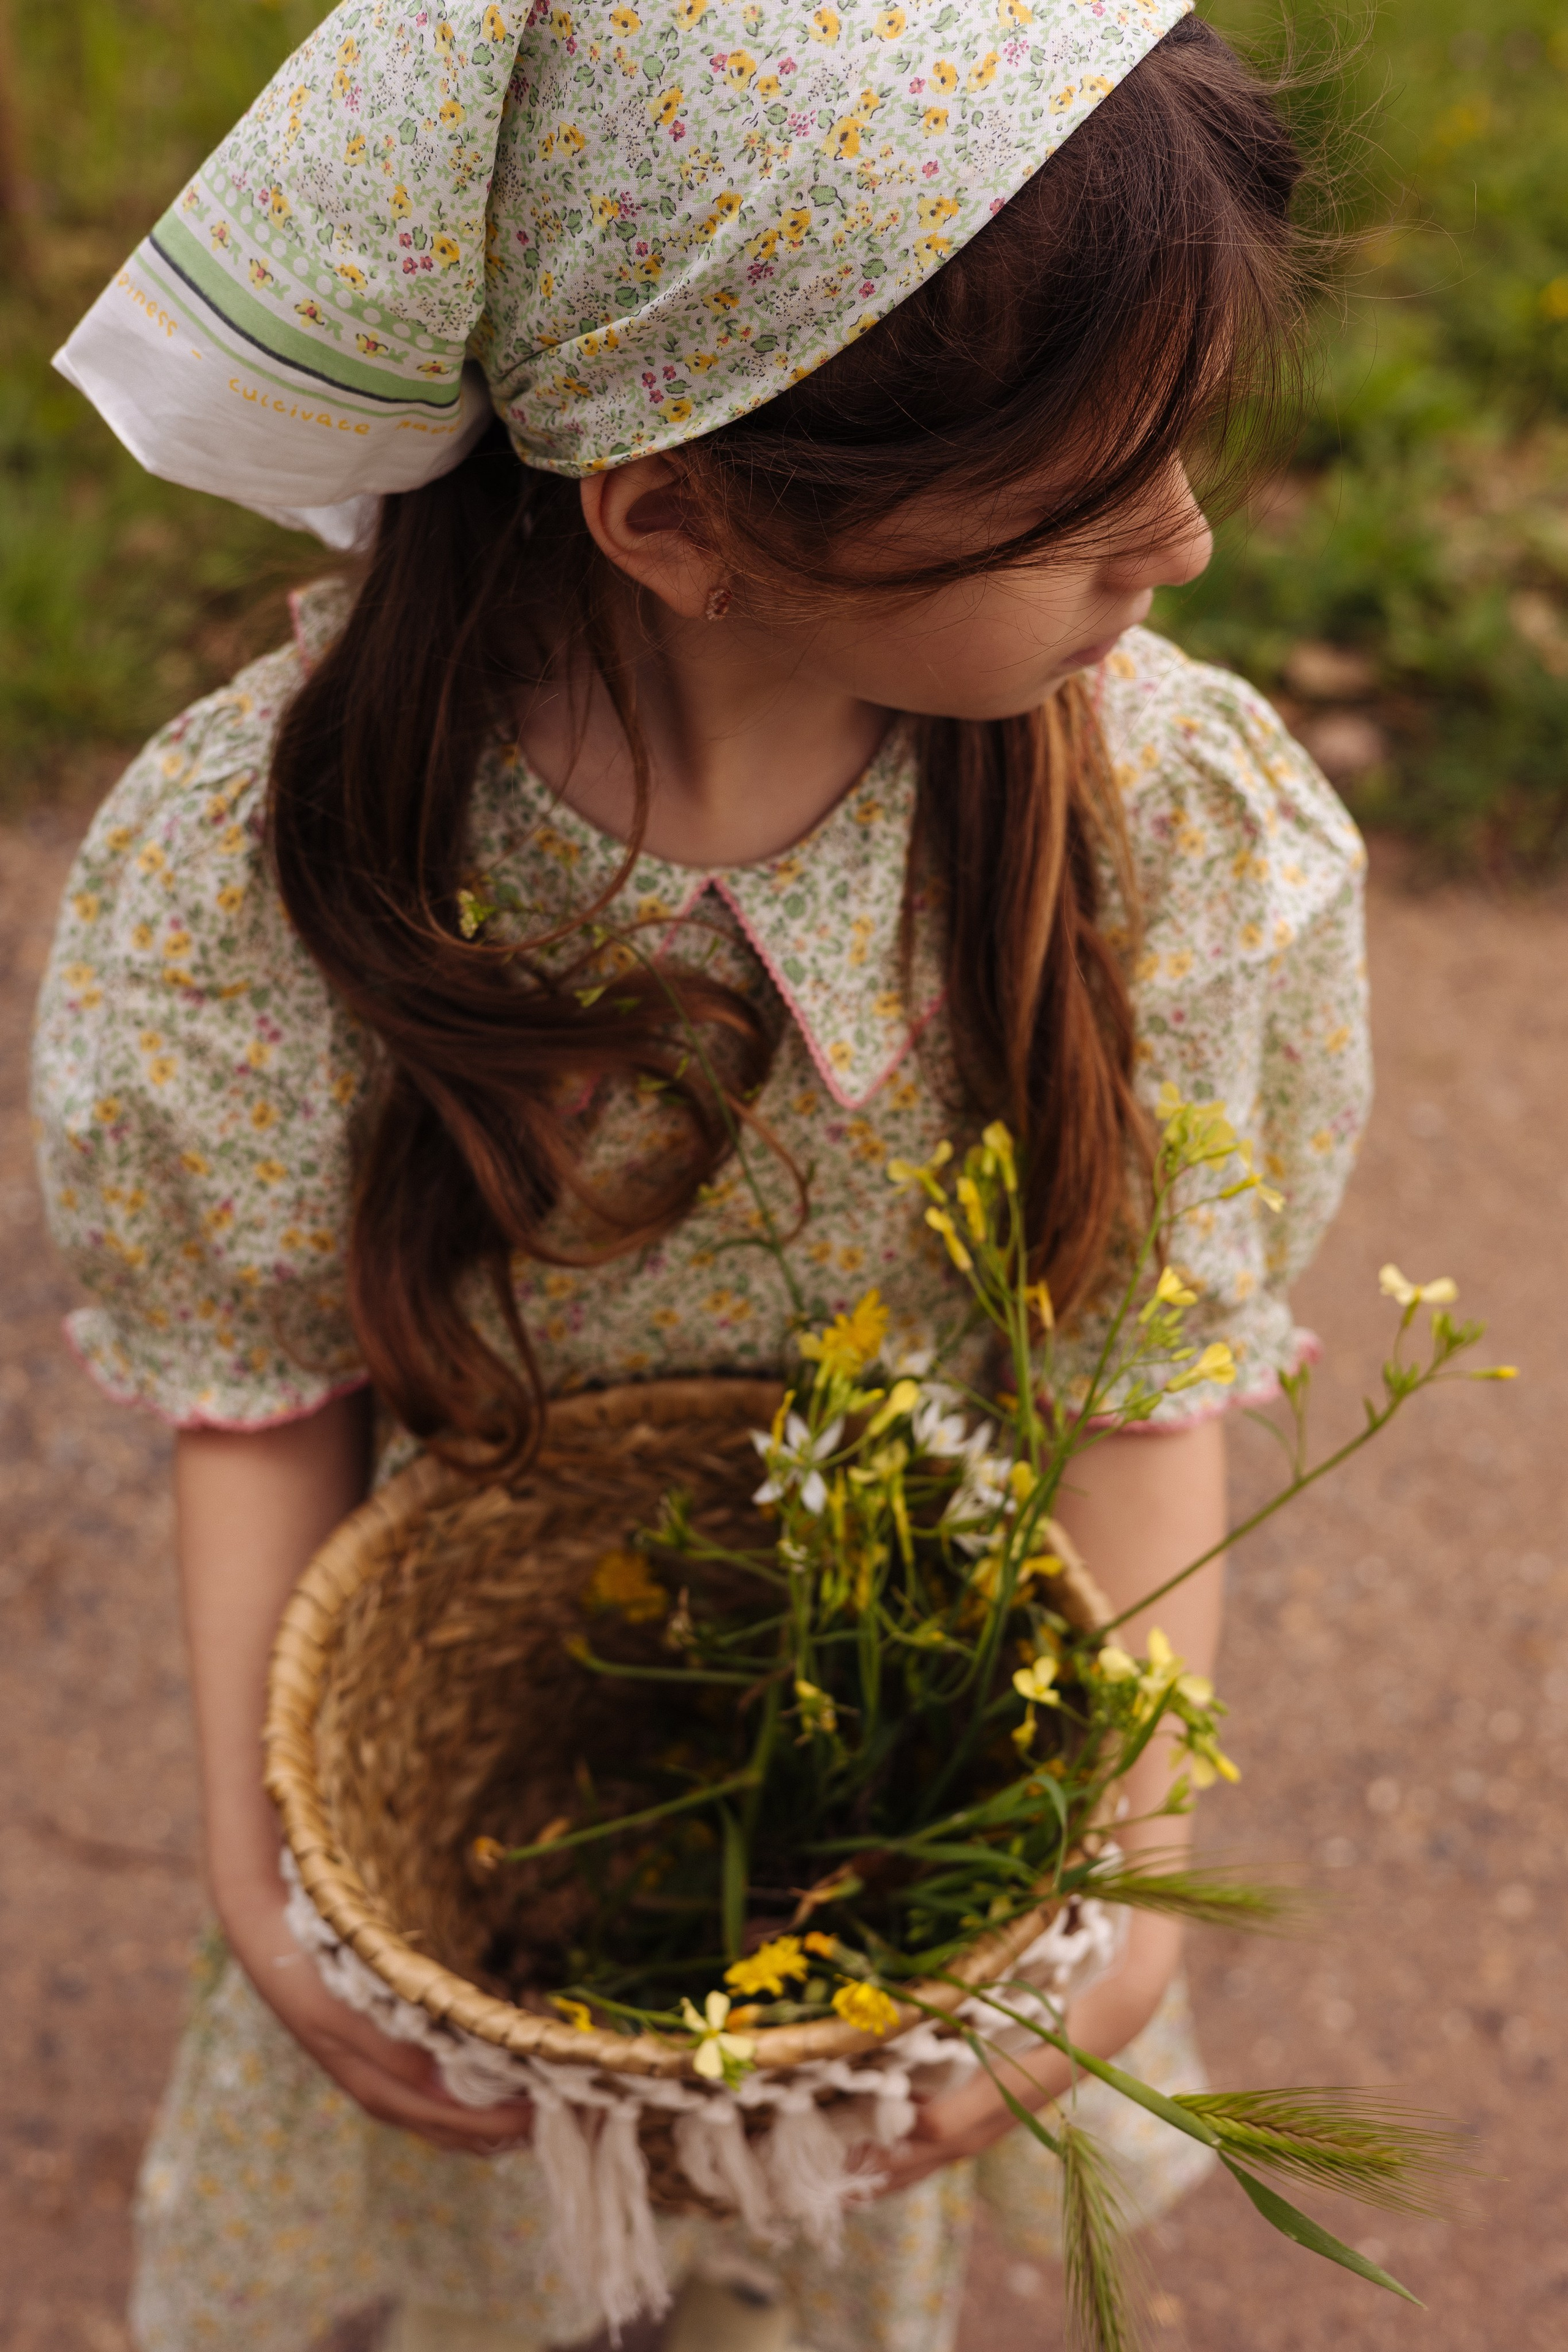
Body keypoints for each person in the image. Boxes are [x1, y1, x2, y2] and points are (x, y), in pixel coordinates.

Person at [34, 2, 1371, 2346]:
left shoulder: (1152, 826)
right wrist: (270, 1869)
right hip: (480, 1785)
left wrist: (1123, 1878)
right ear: (680, 522)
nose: (1185, 538)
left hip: (885, 1777)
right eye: (1080, 500)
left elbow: (1138, 1377)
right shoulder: (291, 855)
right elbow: (257, 1388)